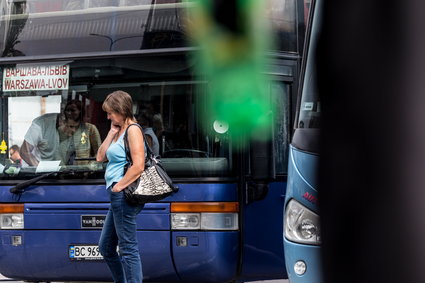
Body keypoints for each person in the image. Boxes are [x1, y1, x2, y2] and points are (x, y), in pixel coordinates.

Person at [96, 90, 145, 283]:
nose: (108, 116)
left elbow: (138, 165)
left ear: (121, 109)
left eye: (110, 112)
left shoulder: (133, 130)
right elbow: (100, 157)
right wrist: (111, 133)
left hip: (123, 194)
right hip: (117, 195)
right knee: (106, 247)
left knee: (128, 248)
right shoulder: (119, 131)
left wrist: (118, 187)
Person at [58, 100, 101, 165]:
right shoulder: (60, 130)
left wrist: (91, 165)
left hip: (84, 170)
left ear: (80, 111)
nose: (69, 113)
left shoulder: (90, 128)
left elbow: (99, 152)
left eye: (73, 110)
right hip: (63, 171)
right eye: (67, 110)